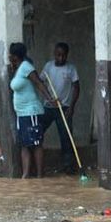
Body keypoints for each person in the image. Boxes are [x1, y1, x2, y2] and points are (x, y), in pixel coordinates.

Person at [8, 42, 52, 178]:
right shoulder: (17, 68)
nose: (9, 56)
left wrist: (49, 98)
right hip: (21, 113)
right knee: (24, 144)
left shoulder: (26, 67)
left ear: (16, 55)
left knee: (36, 143)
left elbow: (38, 82)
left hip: (31, 111)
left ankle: (39, 175)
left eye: (11, 54)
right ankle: (25, 176)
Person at [39, 42, 80, 174]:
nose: (61, 58)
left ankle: (68, 166)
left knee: (66, 137)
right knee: (38, 131)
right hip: (48, 107)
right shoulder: (48, 67)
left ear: (67, 55)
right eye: (58, 55)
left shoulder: (71, 69)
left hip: (64, 108)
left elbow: (76, 87)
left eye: (63, 55)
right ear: (54, 54)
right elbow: (40, 82)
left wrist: (72, 107)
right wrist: (49, 98)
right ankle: (37, 164)